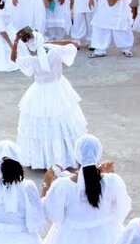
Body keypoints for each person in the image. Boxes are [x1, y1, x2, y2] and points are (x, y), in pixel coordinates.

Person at [12, 28, 87, 169]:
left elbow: (13, 59)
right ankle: (67, 153)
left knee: (42, 125)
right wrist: (49, 42)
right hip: (59, 89)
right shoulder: (55, 51)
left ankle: (44, 158)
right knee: (62, 122)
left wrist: (16, 42)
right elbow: (71, 44)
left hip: (40, 92)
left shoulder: (32, 60)